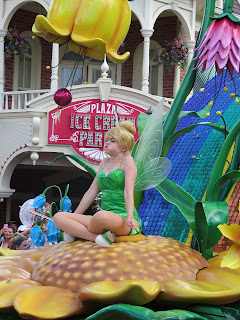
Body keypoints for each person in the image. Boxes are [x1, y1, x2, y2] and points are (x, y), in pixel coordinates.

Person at [53, 121, 142, 247]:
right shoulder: (105, 161)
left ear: (124, 147)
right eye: (107, 139)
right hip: (100, 219)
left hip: (120, 218)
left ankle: (79, 232)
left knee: (101, 216)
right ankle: (99, 238)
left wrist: (130, 217)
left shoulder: (127, 161)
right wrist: (75, 216)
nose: (107, 142)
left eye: (112, 141)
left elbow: (128, 191)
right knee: (58, 217)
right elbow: (92, 191)